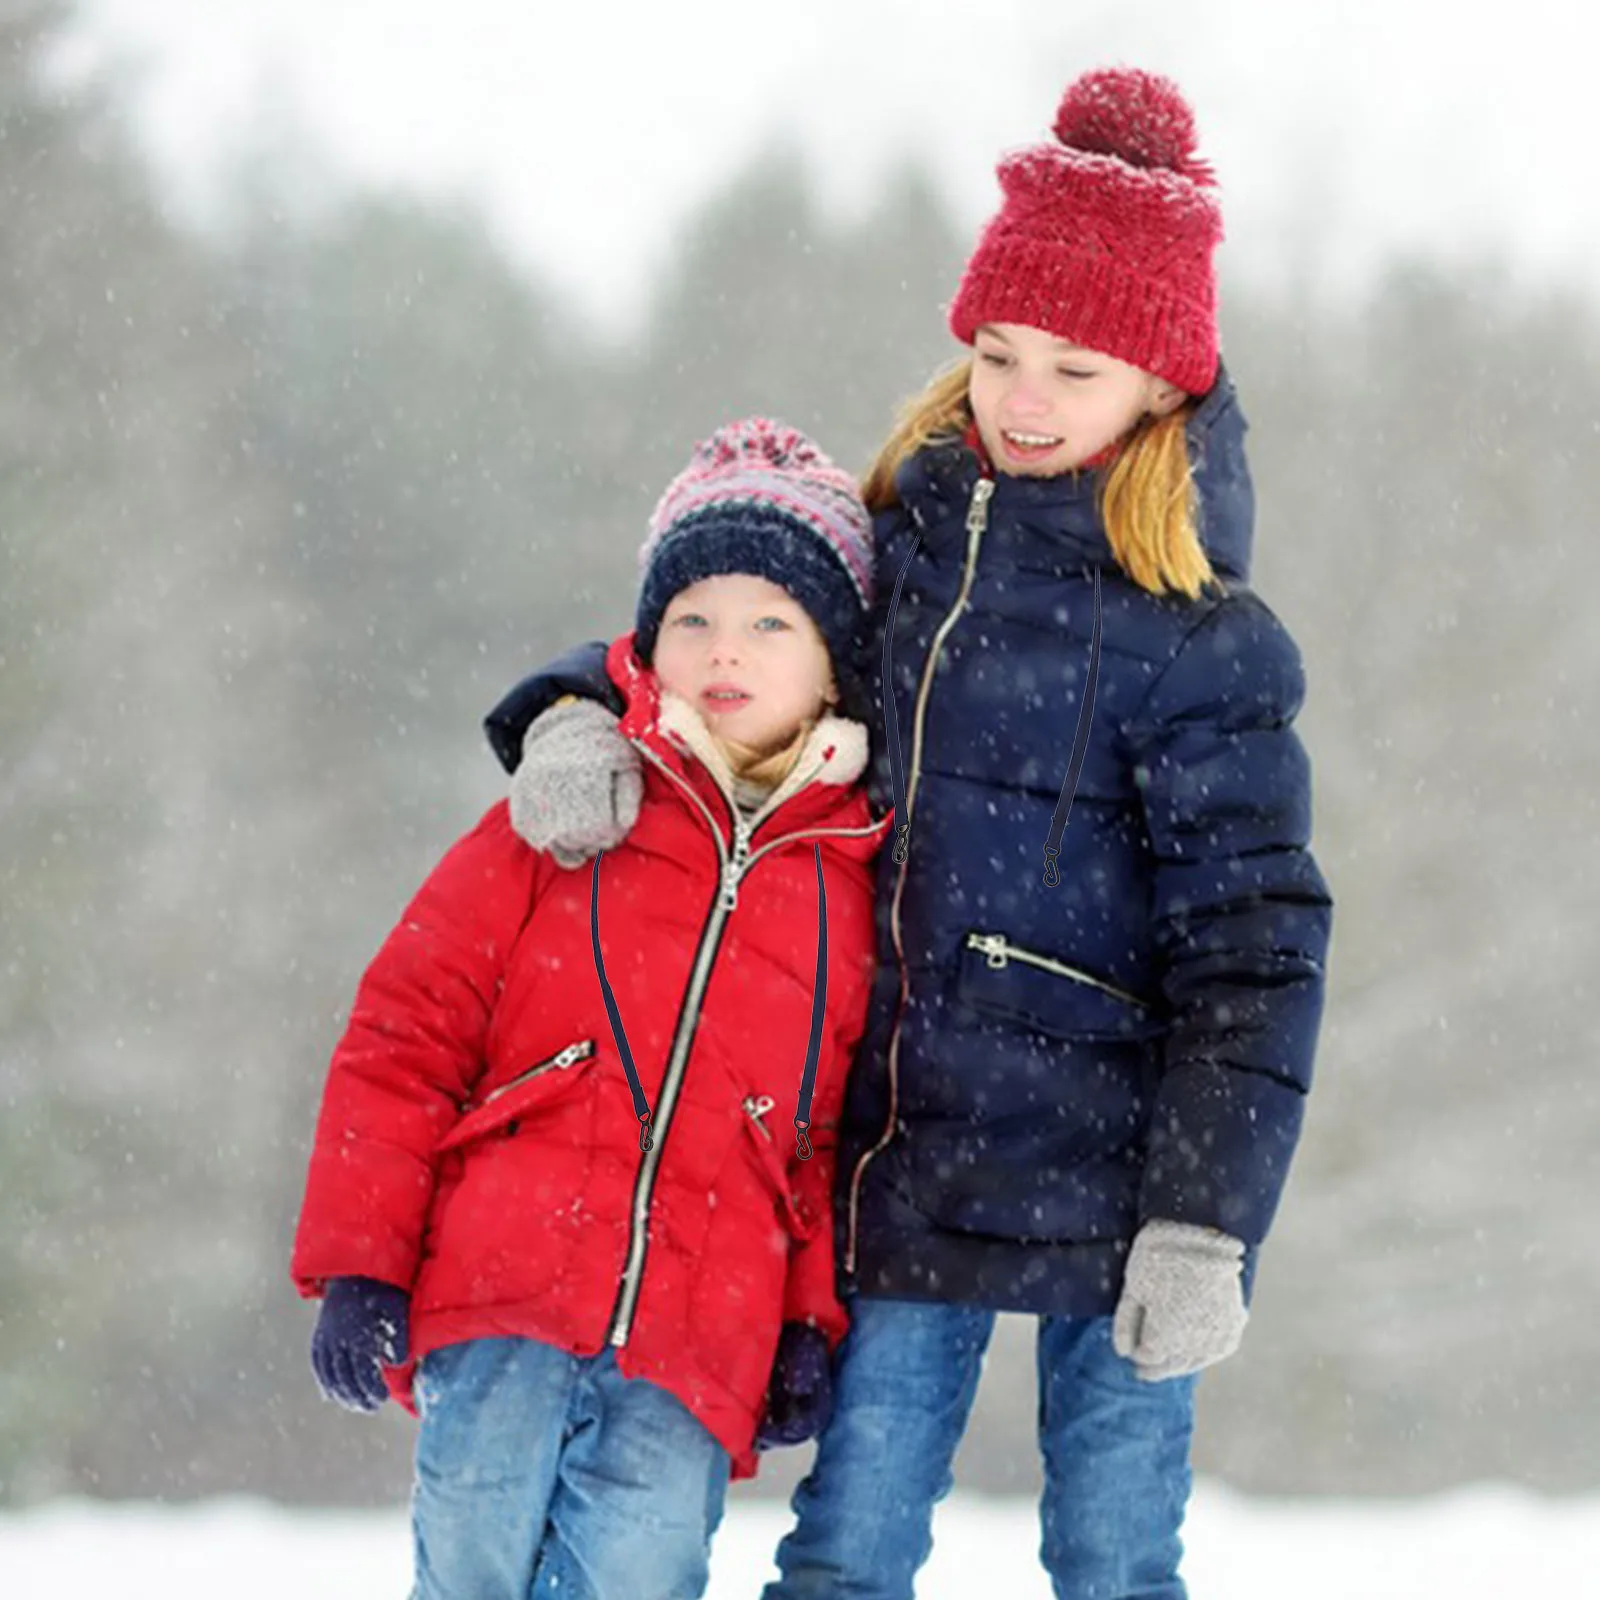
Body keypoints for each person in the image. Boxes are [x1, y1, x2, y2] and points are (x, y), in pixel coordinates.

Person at [485, 67, 1334, 1600]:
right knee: (854, 1541)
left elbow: (1258, 954)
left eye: (1074, 370)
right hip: (909, 1148)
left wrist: (1207, 1221)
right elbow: (720, 638)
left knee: (1115, 1551)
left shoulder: (1210, 645)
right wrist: (568, 714)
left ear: (1164, 383)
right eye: (999, 354)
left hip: (1129, 1169)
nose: (1021, 399)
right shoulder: (910, 551)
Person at [290, 418, 891, 1600]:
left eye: (771, 621)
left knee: (638, 1571)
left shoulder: (852, 881)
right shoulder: (569, 816)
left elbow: (827, 1139)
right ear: (647, 641)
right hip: (502, 1288)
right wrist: (363, 1262)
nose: (727, 650)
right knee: (469, 1557)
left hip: (701, 1337)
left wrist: (802, 1320)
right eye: (692, 620)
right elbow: (404, 1039)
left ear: (833, 663)